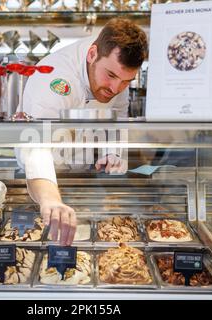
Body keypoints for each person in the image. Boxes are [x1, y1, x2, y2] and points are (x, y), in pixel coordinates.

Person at [20, 18, 148, 246]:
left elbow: (117, 115)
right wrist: (50, 200)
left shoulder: (116, 72)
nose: (115, 89)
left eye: (126, 81)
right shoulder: (53, 78)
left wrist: (114, 151)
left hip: (86, 177)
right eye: (110, 76)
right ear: (92, 55)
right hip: (44, 181)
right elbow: (35, 146)